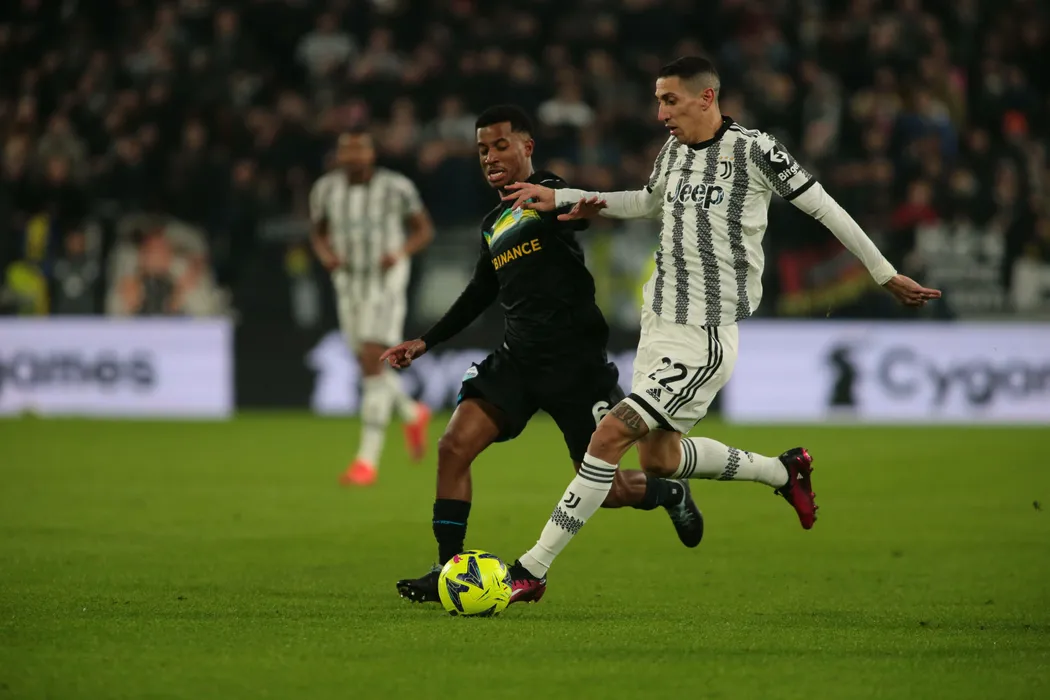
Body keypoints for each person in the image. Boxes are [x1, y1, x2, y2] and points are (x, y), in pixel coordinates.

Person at [500, 56, 942, 602]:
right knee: (659, 459)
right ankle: (782, 472)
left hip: (704, 334)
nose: (660, 113)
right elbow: (645, 202)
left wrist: (883, 272)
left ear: (706, 97)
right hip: (659, 323)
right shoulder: (673, 151)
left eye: (670, 100)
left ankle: (532, 569)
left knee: (609, 436)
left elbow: (824, 207)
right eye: (658, 101)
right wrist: (563, 198)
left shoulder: (756, 151)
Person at [383, 105, 703, 604]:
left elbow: (572, 215)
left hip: (577, 368)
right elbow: (480, 291)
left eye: (500, 145)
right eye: (482, 149)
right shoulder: (493, 223)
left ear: (527, 147)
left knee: (609, 490)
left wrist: (575, 210)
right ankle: (448, 570)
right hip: (518, 360)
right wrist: (426, 341)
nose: (490, 157)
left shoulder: (549, 192)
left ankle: (670, 492)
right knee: (452, 447)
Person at [309, 128, 435, 486]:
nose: (353, 157)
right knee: (366, 361)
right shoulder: (325, 189)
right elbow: (318, 231)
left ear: (371, 153)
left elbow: (424, 230)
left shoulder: (396, 187)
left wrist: (399, 253)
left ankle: (366, 460)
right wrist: (326, 255)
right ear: (339, 155)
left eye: (359, 150)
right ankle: (412, 412)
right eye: (347, 150)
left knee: (371, 357)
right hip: (347, 283)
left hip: (385, 282)